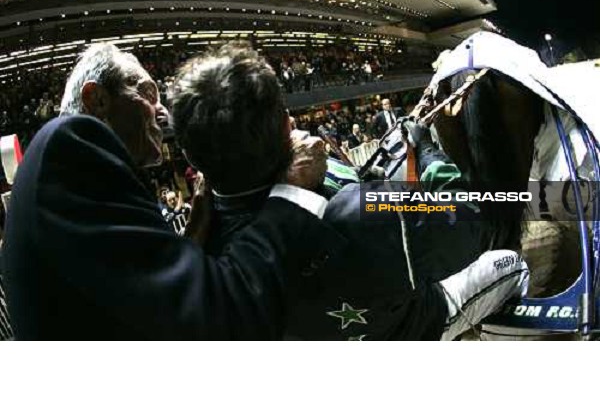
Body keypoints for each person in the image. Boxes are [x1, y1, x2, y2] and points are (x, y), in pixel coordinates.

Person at [171, 43, 529, 340]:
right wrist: (426, 152)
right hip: (411, 324)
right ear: (287, 123)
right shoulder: (360, 211)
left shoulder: (197, 252)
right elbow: (472, 221)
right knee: (511, 264)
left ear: (190, 155)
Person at [1, 43, 333, 340]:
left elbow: (142, 304)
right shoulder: (70, 142)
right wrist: (292, 188)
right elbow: (218, 319)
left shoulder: (62, 170)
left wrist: (192, 237)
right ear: (97, 99)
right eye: (147, 94)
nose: (163, 112)